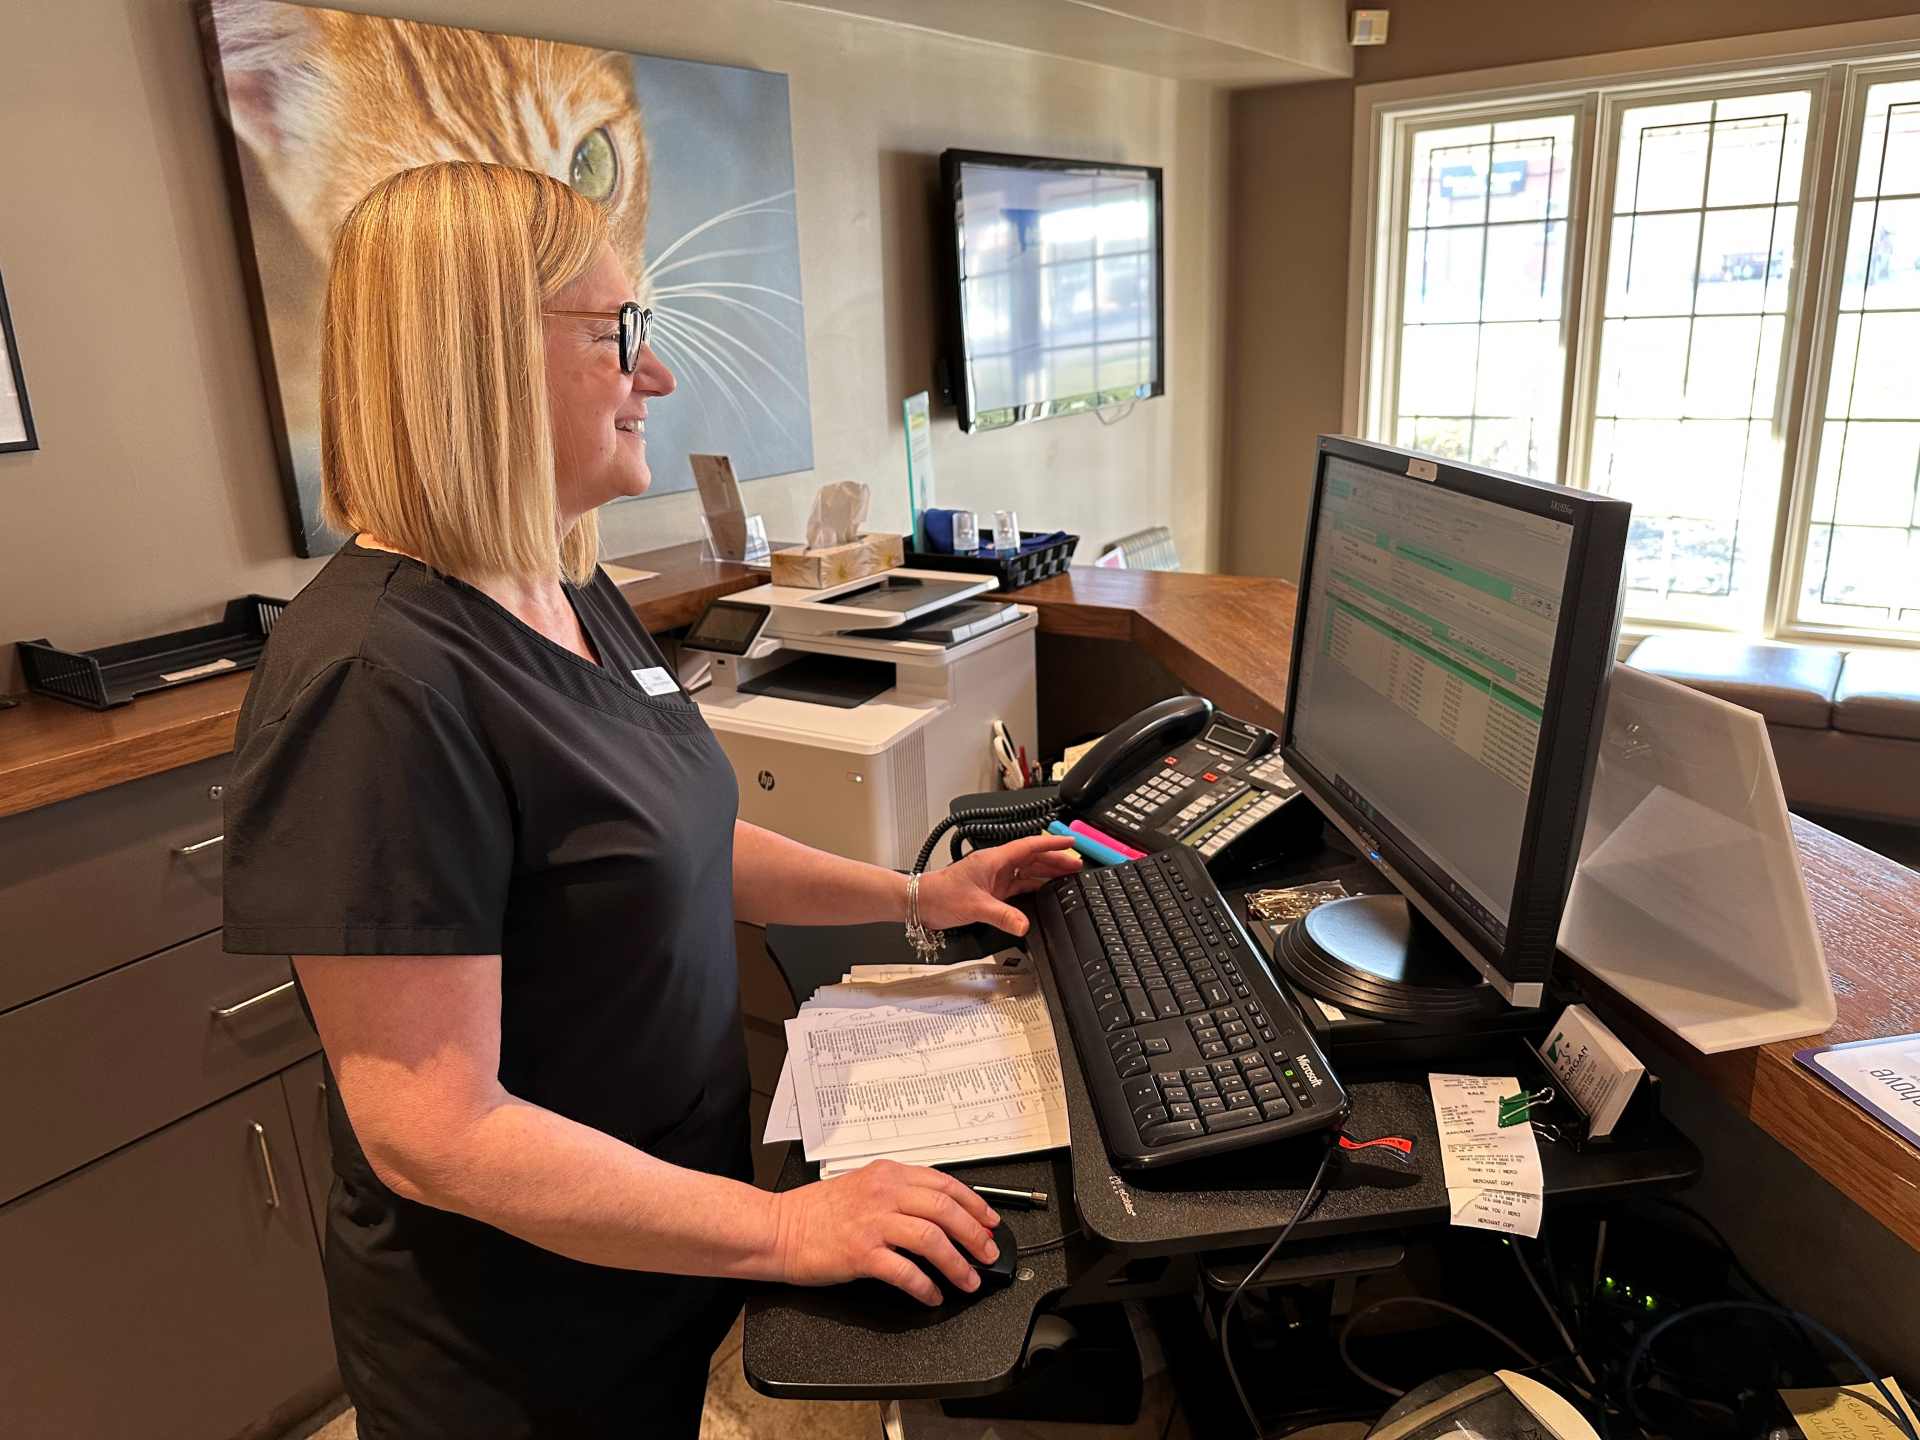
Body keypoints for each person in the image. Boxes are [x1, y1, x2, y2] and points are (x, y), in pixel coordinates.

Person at [221, 161, 1082, 1440]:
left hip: (653, 1243)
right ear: (481, 360)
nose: (657, 375)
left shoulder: (563, 583)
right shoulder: (376, 679)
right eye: (620, 332)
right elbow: (434, 1130)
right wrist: (789, 1229)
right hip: (516, 1327)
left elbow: (680, 836)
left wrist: (913, 893)